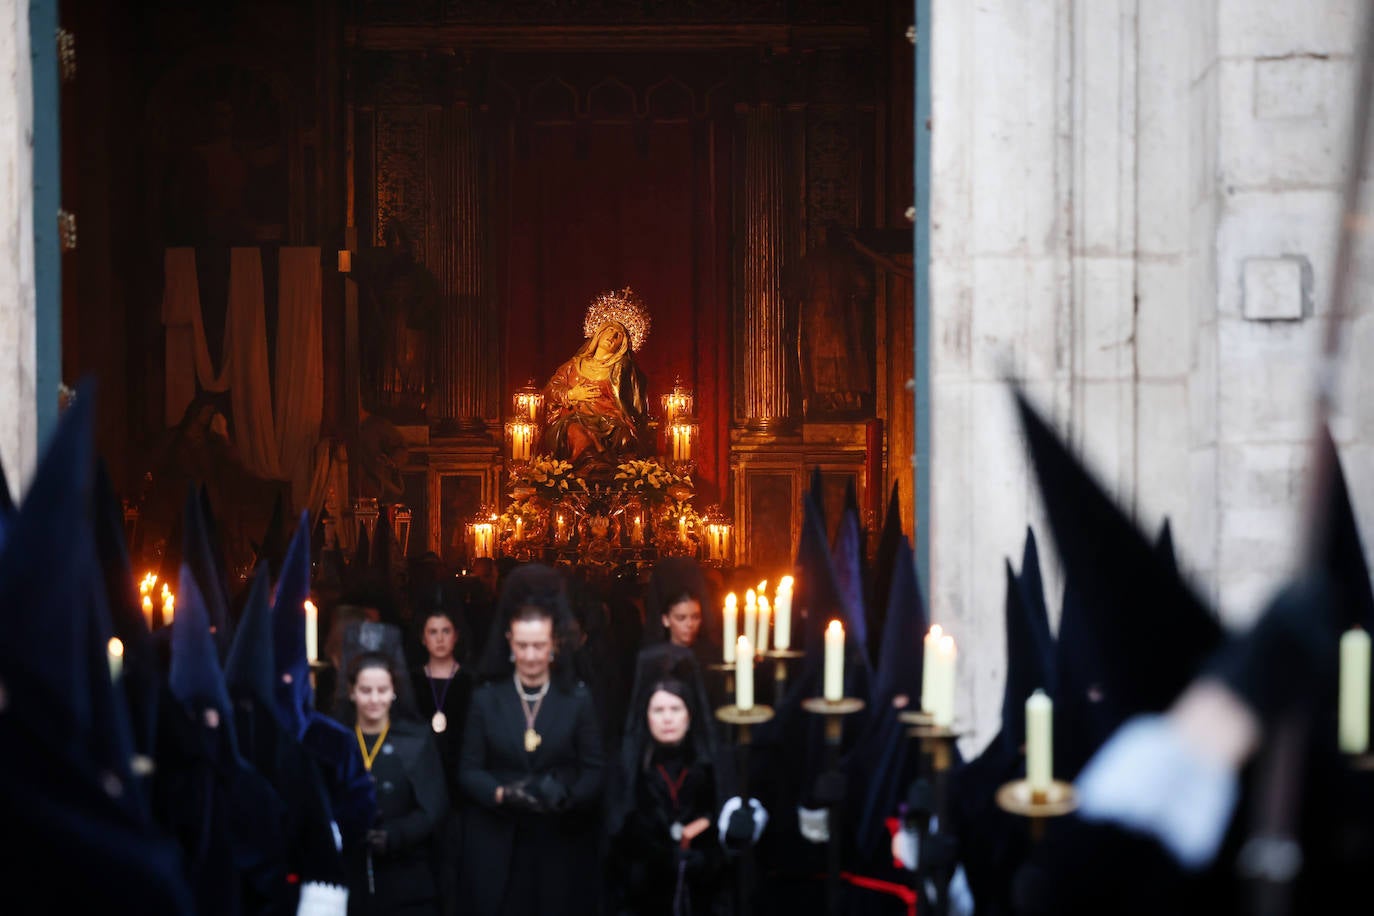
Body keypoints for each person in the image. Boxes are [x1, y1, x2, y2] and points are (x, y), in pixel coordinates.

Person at [458, 564, 606, 916]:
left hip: (559, 843)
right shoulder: (486, 698)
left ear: (554, 643)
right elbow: (467, 769)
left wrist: (567, 796)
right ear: (509, 642)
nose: (531, 656)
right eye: (523, 645)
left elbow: (595, 769)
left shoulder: (577, 698)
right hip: (498, 844)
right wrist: (502, 792)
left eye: (539, 645)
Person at [605, 645, 731, 916]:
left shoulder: (710, 766)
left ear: (689, 714)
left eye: (675, 708)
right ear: (646, 716)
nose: (667, 718)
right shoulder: (629, 768)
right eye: (658, 710)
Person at [345, 651, 449, 916]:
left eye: (382, 690)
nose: (375, 699)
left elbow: (433, 808)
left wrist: (394, 835)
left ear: (393, 692)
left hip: (407, 878)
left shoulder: (416, 741)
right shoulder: (336, 740)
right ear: (352, 692)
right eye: (366, 690)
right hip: (348, 876)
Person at [410, 608, 474, 916]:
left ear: (456, 637)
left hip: (458, 782)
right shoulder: (410, 682)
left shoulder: (470, 683)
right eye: (432, 632)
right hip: (419, 783)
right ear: (423, 638)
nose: (439, 638)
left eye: (445, 631)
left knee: (455, 861)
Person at [540, 307, 650, 474]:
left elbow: (634, 401)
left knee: (623, 434)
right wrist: (571, 394)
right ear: (599, 334)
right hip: (577, 419)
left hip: (611, 421)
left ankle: (613, 473)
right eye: (610, 331)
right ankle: (590, 467)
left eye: (618, 336)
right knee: (575, 431)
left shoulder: (623, 368)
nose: (612, 337)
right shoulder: (574, 365)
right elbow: (549, 390)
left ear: (622, 345)